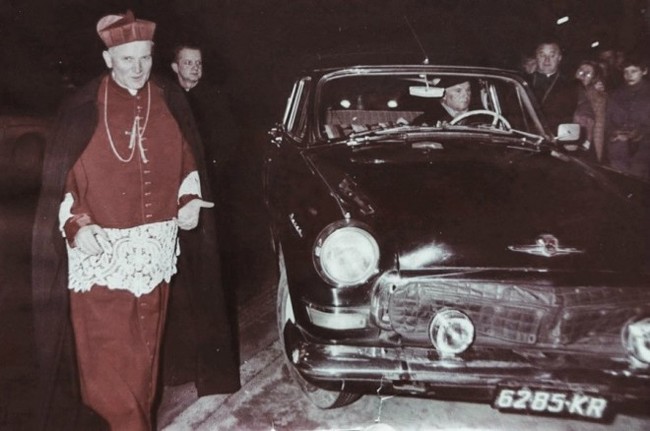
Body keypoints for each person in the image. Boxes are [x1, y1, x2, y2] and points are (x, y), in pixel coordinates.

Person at [31, 11, 240, 430]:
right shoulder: (83, 105)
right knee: (109, 363)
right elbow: (62, 183)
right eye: (127, 59)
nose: (138, 68)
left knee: (146, 356)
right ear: (108, 59)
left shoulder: (167, 99)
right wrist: (78, 225)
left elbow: (188, 162)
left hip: (155, 253)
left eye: (145, 57)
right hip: (102, 255)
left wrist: (188, 200)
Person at [605, 54, 650, 180]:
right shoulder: (616, 94)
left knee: (638, 176)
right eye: (626, 72)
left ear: (644, 71)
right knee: (619, 177)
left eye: (634, 71)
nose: (629, 76)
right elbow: (608, 119)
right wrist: (614, 132)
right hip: (619, 145)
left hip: (645, 146)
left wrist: (639, 133)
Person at [527, 39, 577, 130]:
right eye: (542, 55)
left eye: (552, 55)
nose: (547, 60)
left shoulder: (571, 85)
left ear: (559, 58)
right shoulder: (523, 81)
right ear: (536, 57)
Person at [573, 60, 607, 162]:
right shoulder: (565, 88)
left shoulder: (598, 95)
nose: (583, 75)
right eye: (580, 71)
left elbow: (598, 126)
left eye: (588, 73)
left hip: (585, 141)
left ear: (594, 78)